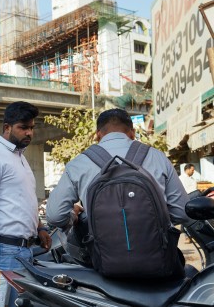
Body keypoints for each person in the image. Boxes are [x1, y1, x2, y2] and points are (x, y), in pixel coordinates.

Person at [45, 109, 192, 270]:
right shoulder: (157, 157)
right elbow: (182, 212)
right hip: (158, 264)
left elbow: (55, 216)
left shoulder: (79, 163)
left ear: (98, 135)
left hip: (103, 266)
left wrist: (74, 216)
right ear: (133, 133)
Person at [0, 101, 51, 305]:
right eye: (23, 127)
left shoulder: (19, 157)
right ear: (7, 127)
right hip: (1, 250)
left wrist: (40, 227)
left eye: (31, 128)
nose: (29, 133)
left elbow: (22, 199)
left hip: (22, 250)